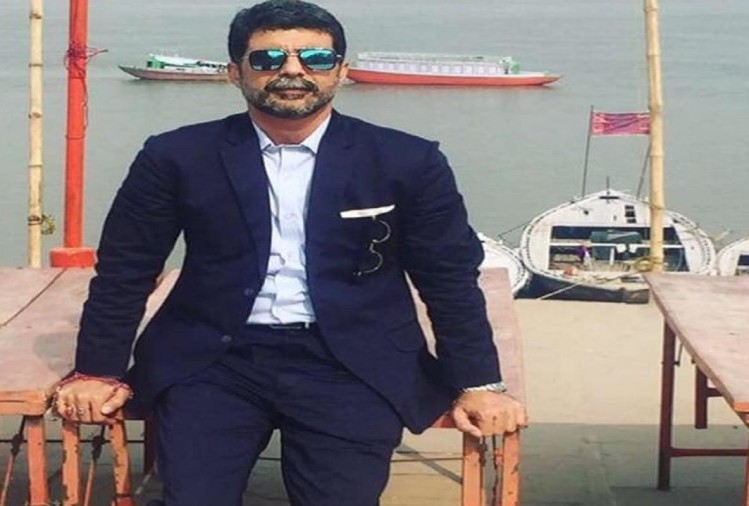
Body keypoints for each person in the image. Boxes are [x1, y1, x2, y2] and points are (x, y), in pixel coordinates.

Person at [54, 1, 526, 504]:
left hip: (352, 361)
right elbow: (126, 269)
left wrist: (479, 381)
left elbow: (448, 276)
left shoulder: (406, 160)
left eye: (316, 59)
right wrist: (97, 370)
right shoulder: (175, 157)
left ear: (341, 71)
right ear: (235, 72)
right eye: (268, 59)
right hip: (213, 360)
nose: (293, 71)